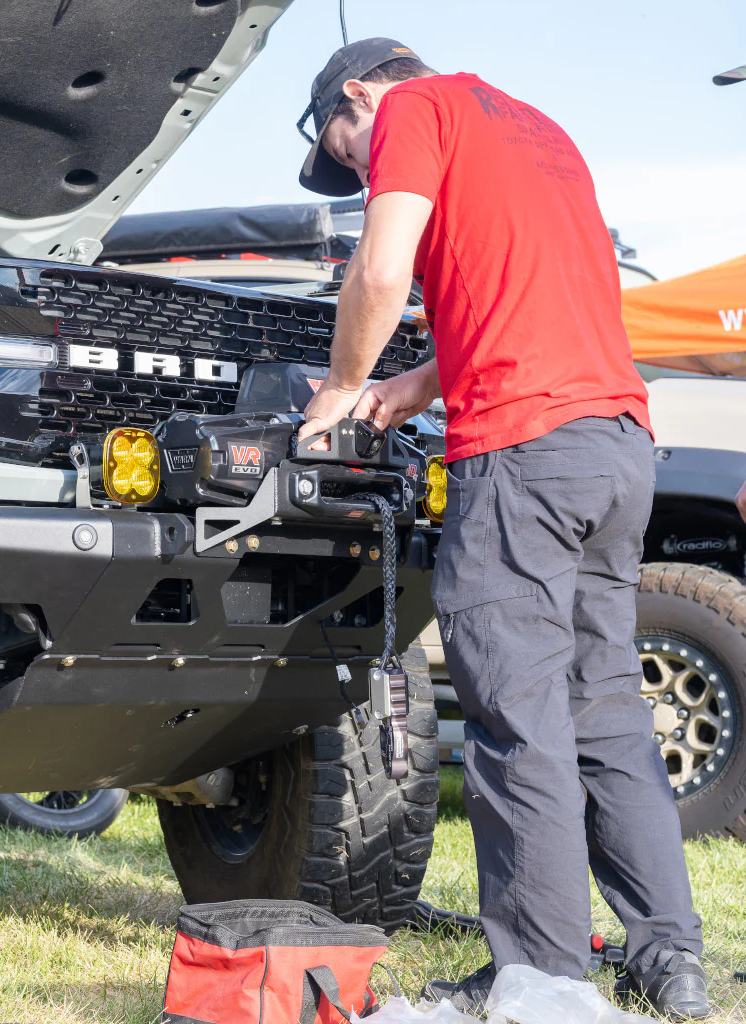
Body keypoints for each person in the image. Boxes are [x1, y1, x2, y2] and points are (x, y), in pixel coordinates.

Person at [293, 39, 711, 1020]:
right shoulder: (538, 130)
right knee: (604, 707)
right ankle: (672, 961)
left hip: (525, 453)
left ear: (359, 95)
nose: (359, 170)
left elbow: (381, 269)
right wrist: (411, 386)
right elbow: (531, 302)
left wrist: (342, 389)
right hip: (615, 444)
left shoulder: (412, 113)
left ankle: (542, 974)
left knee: (517, 712)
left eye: (345, 151)